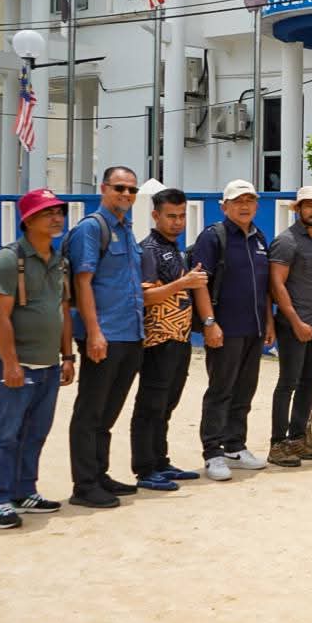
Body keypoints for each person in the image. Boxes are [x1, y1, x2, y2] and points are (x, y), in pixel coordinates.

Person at [0, 189, 75, 529]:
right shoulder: (9, 260)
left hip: (49, 365)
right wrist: (10, 363)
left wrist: (67, 356)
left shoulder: (59, 260)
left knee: (35, 432)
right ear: (28, 219)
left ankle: (24, 490)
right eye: (48, 212)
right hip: (16, 366)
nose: (56, 217)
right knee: (5, 435)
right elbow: (0, 317)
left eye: (59, 212)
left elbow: (62, 310)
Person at [65, 165, 146, 508]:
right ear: (103, 188)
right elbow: (82, 283)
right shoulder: (90, 229)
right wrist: (94, 332)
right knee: (90, 411)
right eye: (119, 188)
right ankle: (84, 485)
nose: (126, 195)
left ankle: (100, 474)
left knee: (109, 410)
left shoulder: (126, 229)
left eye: (131, 190)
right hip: (104, 336)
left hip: (130, 333)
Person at [190, 179, 275, 481]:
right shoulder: (213, 237)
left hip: (252, 329)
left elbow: (264, 287)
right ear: (224, 206)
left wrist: (268, 322)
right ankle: (213, 452)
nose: (244, 206)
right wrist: (210, 323)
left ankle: (235, 446)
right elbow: (200, 282)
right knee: (220, 390)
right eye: (238, 201)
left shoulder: (259, 238)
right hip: (224, 329)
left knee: (244, 390)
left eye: (250, 200)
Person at [130, 187, 206, 491]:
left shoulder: (175, 248)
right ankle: (145, 468)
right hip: (157, 337)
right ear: (155, 216)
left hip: (180, 336)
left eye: (181, 216)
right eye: (170, 216)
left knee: (167, 402)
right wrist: (184, 283)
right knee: (150, 402)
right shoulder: (148, 249)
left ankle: (160, 460)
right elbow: (145, 296)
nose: (177, 222)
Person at [266, 187, 312, 468]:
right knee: (288, 383)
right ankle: (277, 444)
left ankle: (298, 438)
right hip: (293, 324)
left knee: (309, 383)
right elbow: (276, 284)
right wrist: (295, 321)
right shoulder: (286, 242)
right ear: (298, 209)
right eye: (309, 206)